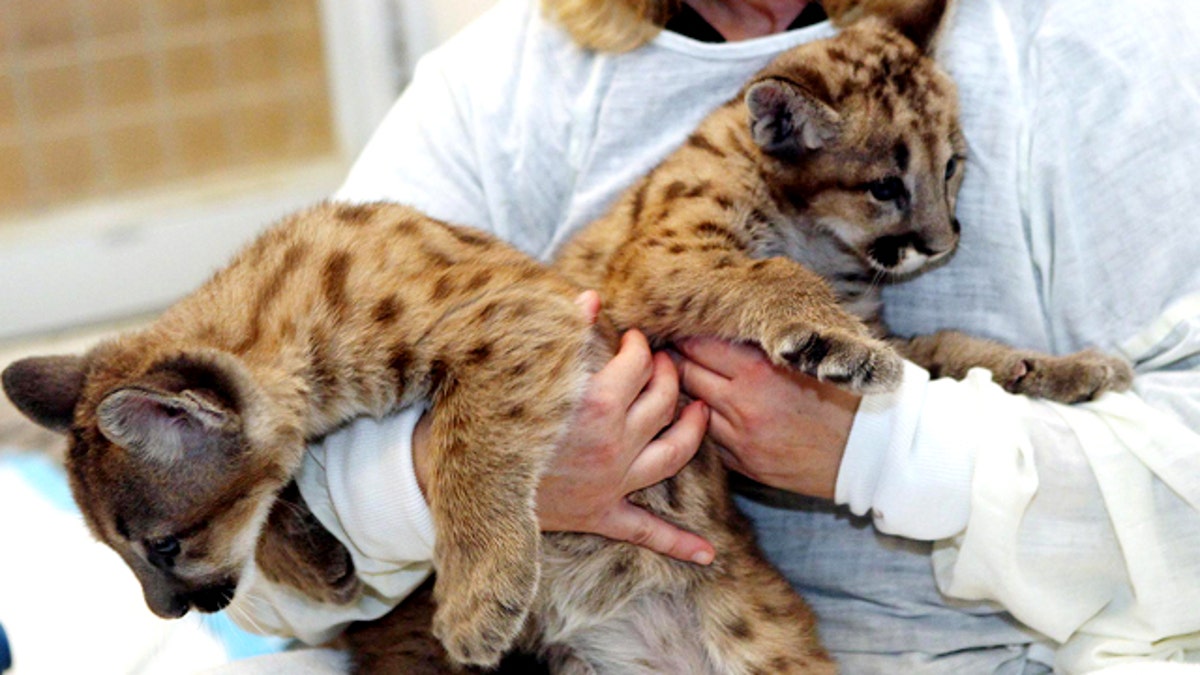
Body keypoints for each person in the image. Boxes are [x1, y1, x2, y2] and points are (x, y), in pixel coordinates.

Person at [224, 1, 1200, 673]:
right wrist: (449, 475)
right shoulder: (498, 96)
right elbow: (246, 546)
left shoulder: (1080, 45)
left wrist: (886, 453)